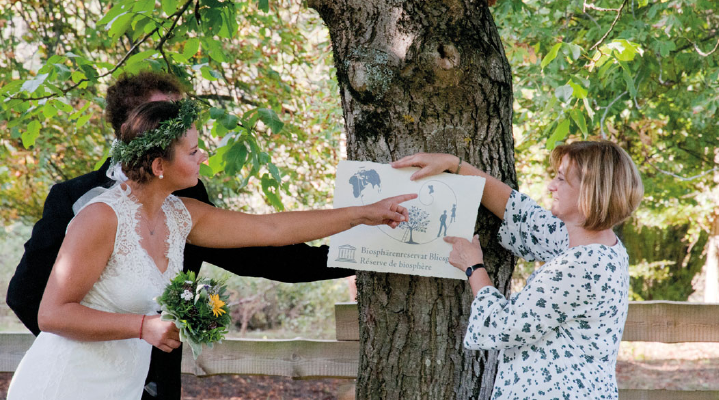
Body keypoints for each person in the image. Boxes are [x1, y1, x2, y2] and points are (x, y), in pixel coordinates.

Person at [6, 99, 416, 400]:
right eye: (194, 151)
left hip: (122, 386)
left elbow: (272, 228)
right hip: (66, 384)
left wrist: (363, 213)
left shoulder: (184, 214)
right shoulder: (100, 218)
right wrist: (142, 327)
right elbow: (53, 313)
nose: (205, 155)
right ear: (158, 166)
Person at [392, 141, 643, 399]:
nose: (551, 186)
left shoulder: (581, 266)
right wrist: (455, 165)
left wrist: (473, 266)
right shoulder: (593, 243)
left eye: (561, 179)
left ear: (590, 192)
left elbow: (501, 326)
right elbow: (520, 213)